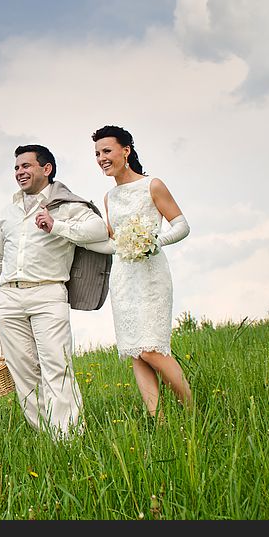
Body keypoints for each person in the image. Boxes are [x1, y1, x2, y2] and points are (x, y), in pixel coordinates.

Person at [0, 144, 109, 438]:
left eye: (26, 166)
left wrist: (56, 225)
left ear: (46, 169)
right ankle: (47, 435)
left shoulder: (67, 205)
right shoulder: (7, 213)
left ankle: (69, 439)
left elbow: (99, 230)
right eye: (17, 168)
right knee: (23, 373)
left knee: (57, 368)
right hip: (8, 299)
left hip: (48, 294)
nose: (20, 172)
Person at [90, 125, 193, 419]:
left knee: (152, 350)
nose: (101, 158)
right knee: (136, 352)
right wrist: (68, 235)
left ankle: (192, 411)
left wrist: (152, 243)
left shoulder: (152, 185)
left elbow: (182, 226)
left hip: (151, 275)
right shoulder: (110, 197)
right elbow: (114, 244)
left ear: (126, 151)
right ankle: (157, 421)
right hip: (123, 279)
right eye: (97, 153)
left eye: (106, 151)